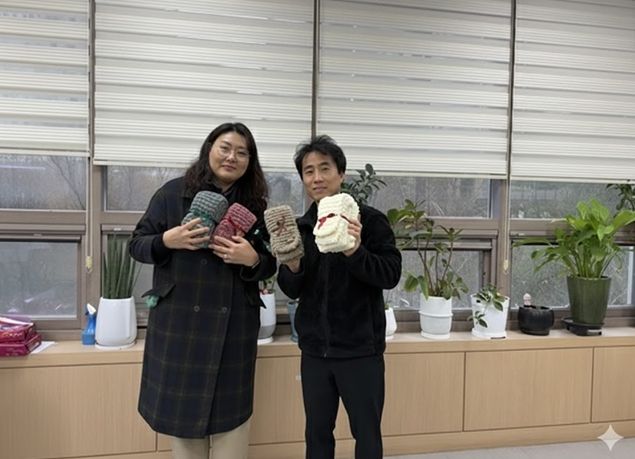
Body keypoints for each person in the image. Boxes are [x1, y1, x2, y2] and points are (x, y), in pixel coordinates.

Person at [129, 122, 276, 459]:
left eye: (242, 152)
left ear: (250, 161)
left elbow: (270, 264)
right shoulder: (172, 194)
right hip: (181, 327)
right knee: (184, 430)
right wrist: (168, 240)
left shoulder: (256, 208)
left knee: (232, 429)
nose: (232, 157)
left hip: (234, 328)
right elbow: (136, 245)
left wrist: (253, 259)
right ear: (209, 149)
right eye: (225, 148)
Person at [277, 135, 402, 459]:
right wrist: (292, 264)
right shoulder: (302, 227)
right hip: (315, 351)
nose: (317, 178)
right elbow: (291, 288)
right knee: (317, 434)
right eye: (308, 171)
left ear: (341, 173)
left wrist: (355, 250)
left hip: (360, 350)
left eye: (325, 168)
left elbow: (390, 275)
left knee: (367, 434)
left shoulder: (369, 221)